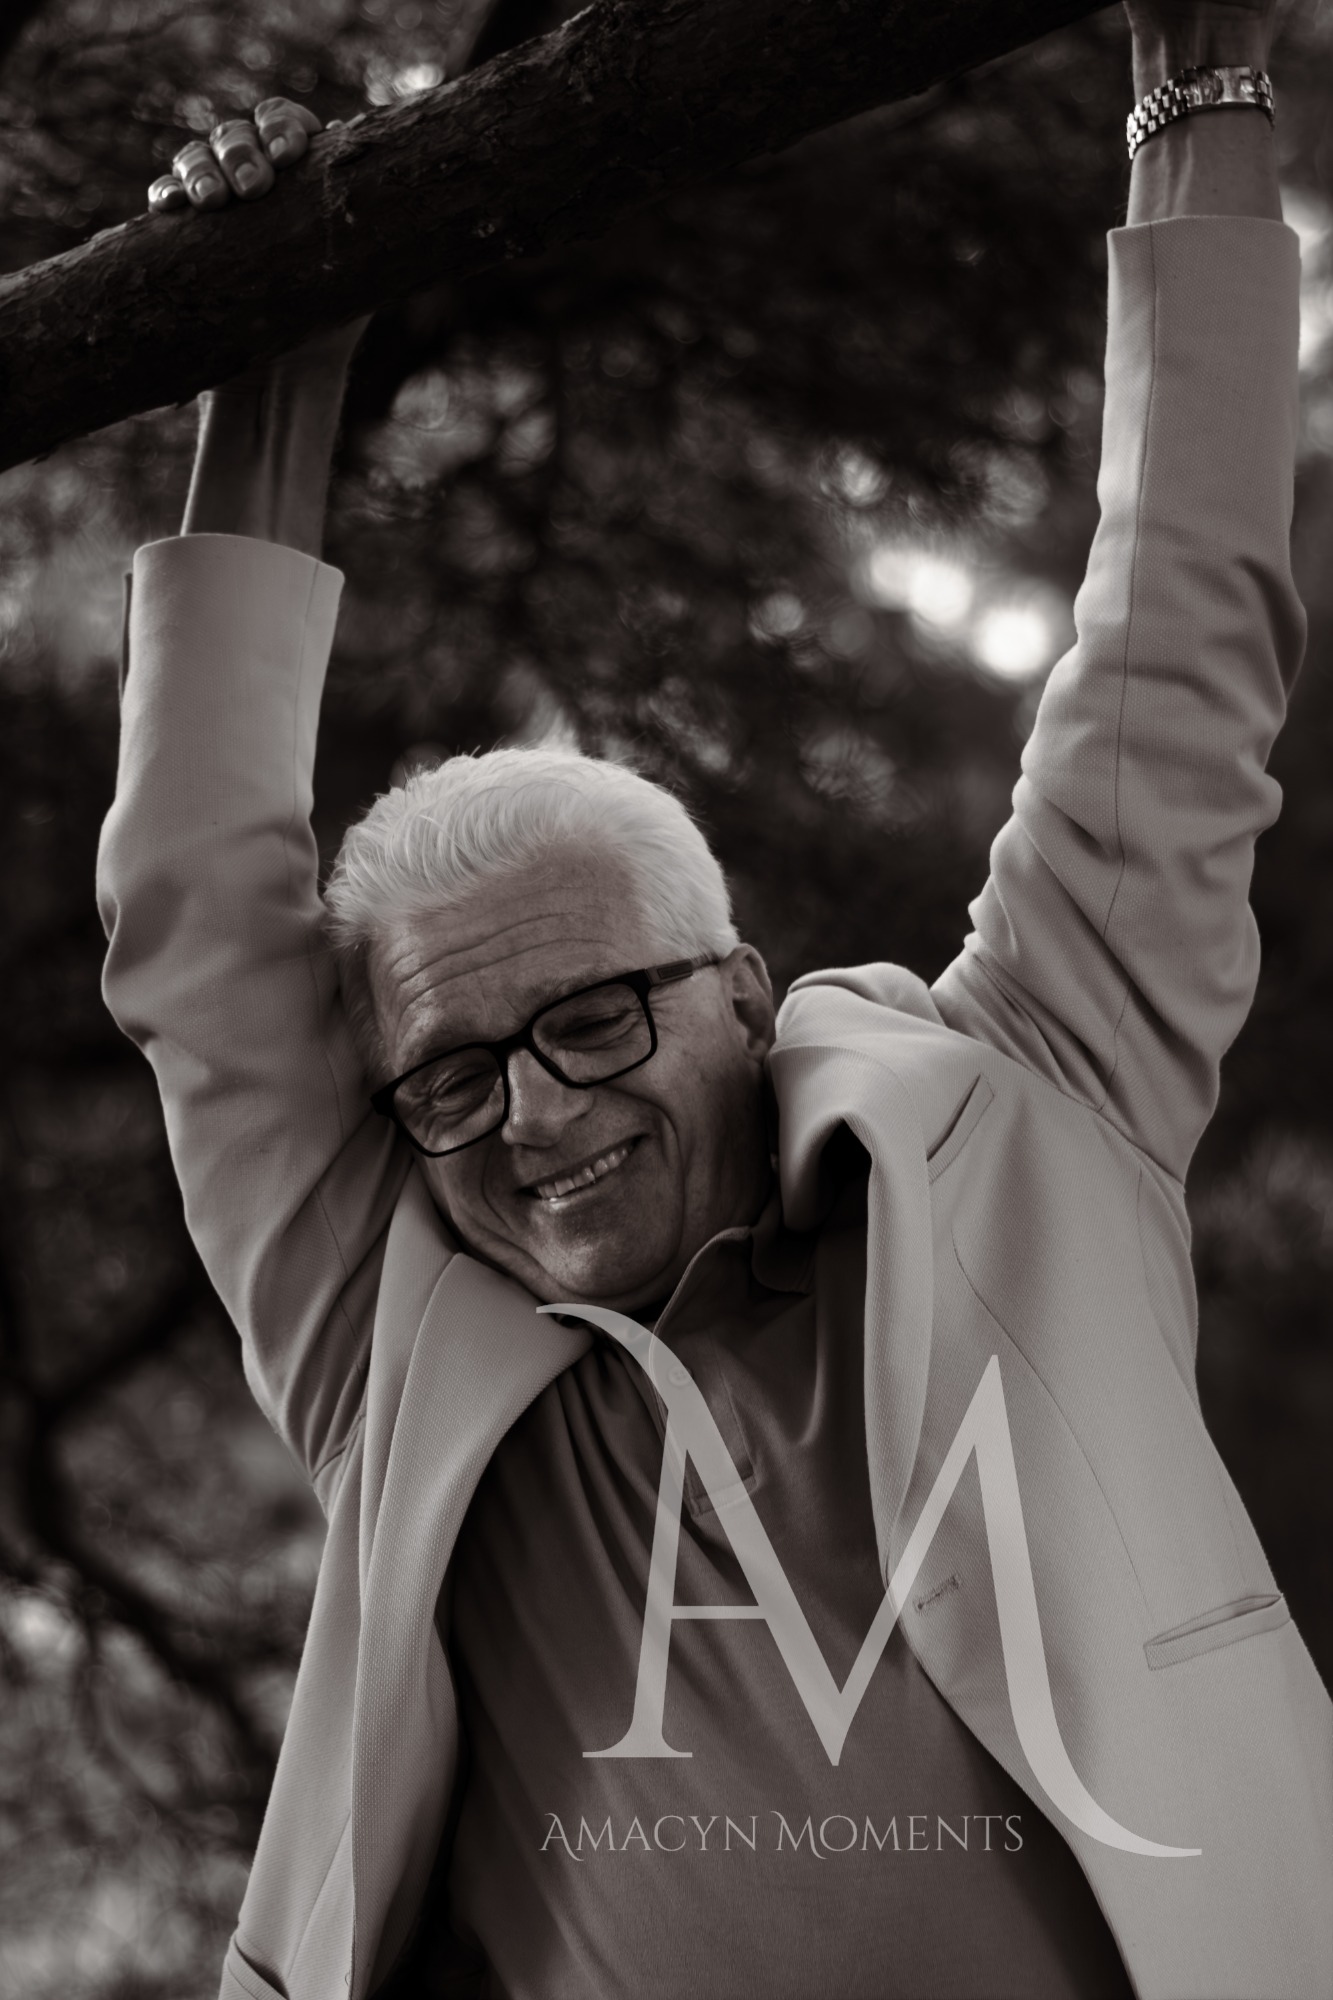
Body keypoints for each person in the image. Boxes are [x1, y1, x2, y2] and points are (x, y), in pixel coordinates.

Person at [99, 0, 1333, 1995]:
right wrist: (272, 355)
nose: (530, 1113)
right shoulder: (391, 1340)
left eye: (592, 1020)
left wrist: (1197, 90)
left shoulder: (1028, 1110)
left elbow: (1177, 640)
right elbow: (192, 924)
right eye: (451, 1075)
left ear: (740, 991)